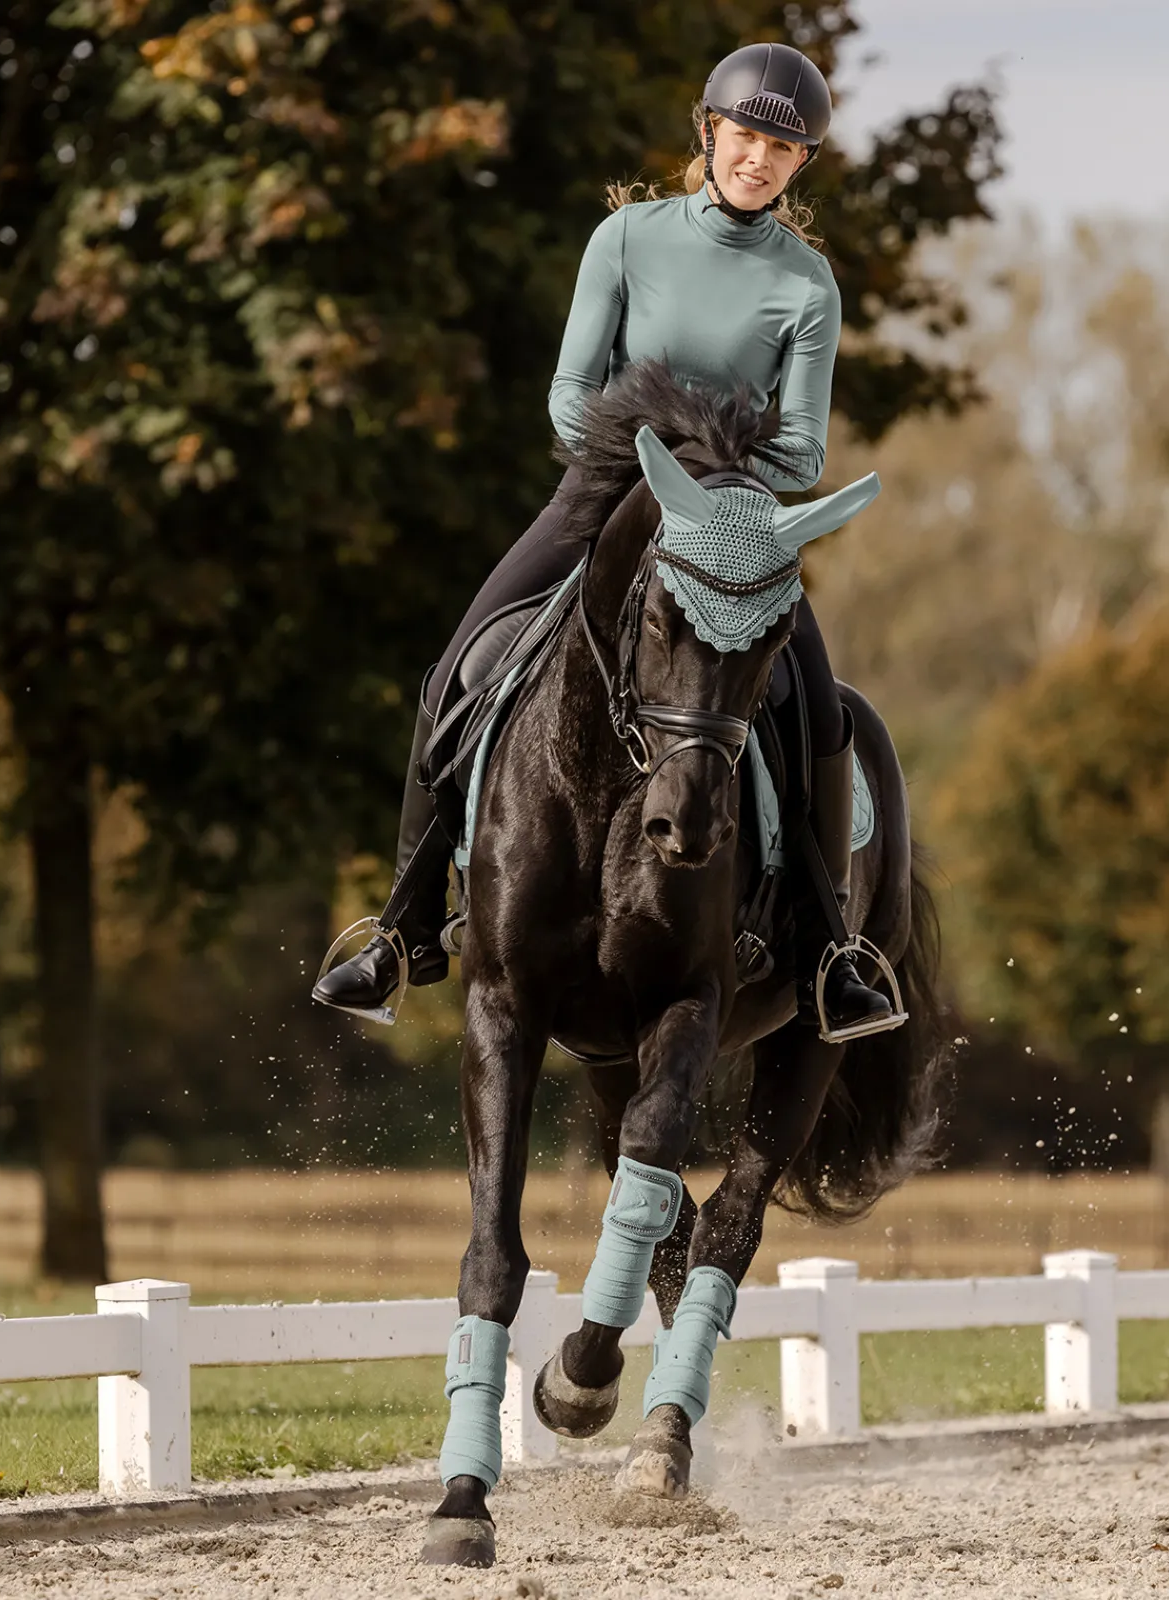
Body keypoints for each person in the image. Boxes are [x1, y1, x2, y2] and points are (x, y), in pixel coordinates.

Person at [314, 41, 895, 1036]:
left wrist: (711, 466)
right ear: (709, 134)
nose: (758, 158)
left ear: (802, 165)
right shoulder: (625, 238)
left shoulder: (807, 287)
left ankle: (832, 948)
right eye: (746, 136)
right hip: (601, 497)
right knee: (454, 671)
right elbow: (569, 390)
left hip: (730, 522)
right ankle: (402, 930)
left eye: (783, 148)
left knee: (820, 709)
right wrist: (638, 454)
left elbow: (799, 449)